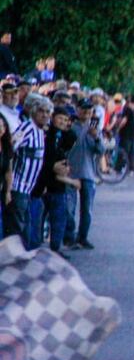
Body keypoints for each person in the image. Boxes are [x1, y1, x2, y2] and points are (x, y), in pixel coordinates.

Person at [32, 106, 77, 255]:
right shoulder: (46, 134)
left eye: (66, 120)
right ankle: (36, 248)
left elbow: (71, 142)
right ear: (53, 118)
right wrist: (53, 166)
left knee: (59, 218)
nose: (63, 122)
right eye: (60, 119)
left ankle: (56, 249)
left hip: (59, 185)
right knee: (39, 218)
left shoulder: (67, 136)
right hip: (44, 183)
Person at [5, 96, 50, 244]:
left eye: (47, 112)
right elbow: (10, 148)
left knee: (26, 232)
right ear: (34, 112)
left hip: (28, 190)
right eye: (41, 111)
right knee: (17, 232)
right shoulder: (27, 129)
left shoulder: (40, 131)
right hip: (18, 188)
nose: (44, 115)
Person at [65, 99, 104, 249]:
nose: (86, 112)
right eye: (83, 109)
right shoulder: (71, 128)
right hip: (71, 173)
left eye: (89, 110)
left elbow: (100, 151)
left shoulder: (94, 129)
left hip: (88, 173)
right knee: (69, 208)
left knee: (87, 209)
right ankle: (69, 237)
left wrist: (96, 137)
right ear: (77, 109)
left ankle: (83, 237)